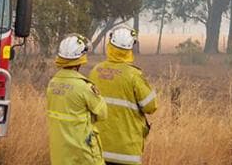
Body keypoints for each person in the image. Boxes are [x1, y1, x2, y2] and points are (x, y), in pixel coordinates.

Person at [88, 27, 157, 165]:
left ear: (110, 46)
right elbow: (151, 106)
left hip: (98, 149)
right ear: (130, 50)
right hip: (127, 152)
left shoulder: (95, 71)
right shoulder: (133, 75)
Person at [47, 33, 107, 165]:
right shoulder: (84, 87)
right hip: (83, 152)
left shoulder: (52, 84)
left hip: (60, 153)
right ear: (81, 58)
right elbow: (103, 113)